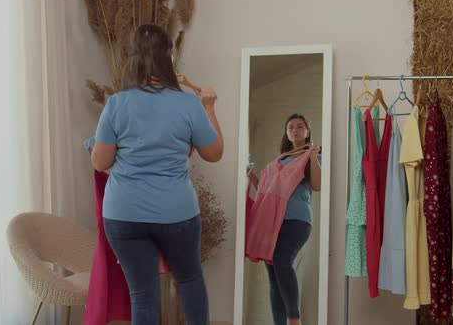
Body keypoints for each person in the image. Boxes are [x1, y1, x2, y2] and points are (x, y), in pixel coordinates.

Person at [91, 24, 224, 325]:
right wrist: (210, 108)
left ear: (132, 57)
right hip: (176, 214)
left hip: (124, 214)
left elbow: (100, 162)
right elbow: (214, 154)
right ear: (168, 57)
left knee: (143, 294)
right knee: (189, 279)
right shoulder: (189, 104)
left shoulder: (115, 104)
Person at [247, 114, 321, 325]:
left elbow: (317, 185)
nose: (295, 130)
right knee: (273, 273)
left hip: (297, 220)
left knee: (281, 261)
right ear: (286, 133)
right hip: (273, 222)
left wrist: (314, 156)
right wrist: (251, 176)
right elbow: (266, 191)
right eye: (290, 127)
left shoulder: (311, 156)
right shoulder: (279, 161)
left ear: (307, 132)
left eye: (300, 126)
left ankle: (294, 319)